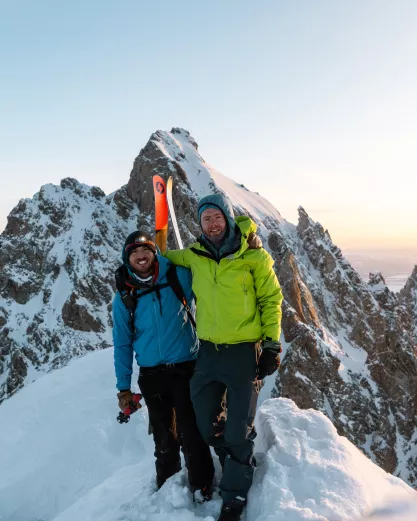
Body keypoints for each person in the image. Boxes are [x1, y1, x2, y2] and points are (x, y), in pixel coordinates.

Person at [165, 193, 283, 521]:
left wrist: (271, 346)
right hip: (208, 354)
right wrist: (145, 254)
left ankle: (234, 497)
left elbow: (272, 300)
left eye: (217, 217)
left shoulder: (254, 257)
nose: (212, 223)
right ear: (199, 224)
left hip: (243, 352)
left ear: (228, 219)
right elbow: (163, 258)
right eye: (206, 219)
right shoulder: (194, 255)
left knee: (238, 430)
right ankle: (235, 460)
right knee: (204, 425)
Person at [112, 231, 214, 499]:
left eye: (145, 250)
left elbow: (212, 279)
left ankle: (202, 486)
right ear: (127, 259)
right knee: (164, 439)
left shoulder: (178, 276)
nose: (140, 256)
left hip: (186, 367)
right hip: (152, 375)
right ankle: (167, 492)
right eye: (134, 253)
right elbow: (122, 343)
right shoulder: (124, 296)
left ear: (154, 253)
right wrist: (124, 388)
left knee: (192, 434)